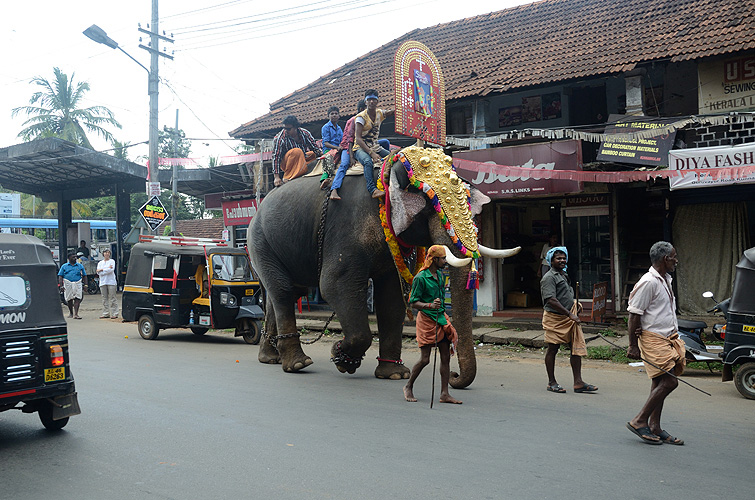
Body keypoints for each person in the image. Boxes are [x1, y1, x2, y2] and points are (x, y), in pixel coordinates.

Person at [626, 241, 685, 445]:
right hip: (653, 339)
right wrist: (632, 345)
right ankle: (639, 420)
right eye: (674, 256)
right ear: (665, 259)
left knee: (659, 381)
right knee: (670, 381)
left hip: (667, 338)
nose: (676, 260)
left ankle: (655, 426)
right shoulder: (649, 281)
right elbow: (634, 314)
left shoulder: (665, 279)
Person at [403, 245, 462, 404]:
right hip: (427, 321)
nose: (445, 261)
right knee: (425, 359)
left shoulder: (441, 276)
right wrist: (429, 306)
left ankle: (444, 394)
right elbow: (413, 302)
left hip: (440, 319)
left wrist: (443, 312)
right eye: (443, 258)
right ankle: (408, 386)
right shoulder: (420, 278)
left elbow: (441, 299)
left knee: (445, 357)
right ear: (434, 259)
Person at [540, 247, 597, 394]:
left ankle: (578, 382)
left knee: (576, 348)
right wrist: (569, 314)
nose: (562, 260)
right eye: (558, 258)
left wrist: (574, 308)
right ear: (551, 261)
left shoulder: (563, 274)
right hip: (555, 319)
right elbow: (551, 300)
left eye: (564, 258)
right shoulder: (548, 278)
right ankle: (551, 382)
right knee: (553, 349)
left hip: (568, 317)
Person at [353, 89, 394, 199]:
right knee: (367, 162)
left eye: (374, 100)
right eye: (369, 100)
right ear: (365, 102)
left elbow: (390, 112)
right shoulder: (360, 118)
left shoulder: (380, 113)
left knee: (393, 158)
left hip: (375, 145)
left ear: (377, 101)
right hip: (360, 147)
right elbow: (358, 139)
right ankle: (372, 189)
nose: (371, 102)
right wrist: (372, 154)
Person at [271, 115, 322, 187]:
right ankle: (288, 176)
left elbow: (315, 148)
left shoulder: (305, 133)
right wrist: (276, 177)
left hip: (302, 158)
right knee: (297, 151)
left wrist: (324, 154)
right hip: (287, 162)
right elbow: (276, 157)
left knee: (312, 154)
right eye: (284, 128)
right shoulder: (280, 138)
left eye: (288, 129)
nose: (286, 131)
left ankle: (303, 168)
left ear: (296, 127)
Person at [58, 252, 87, 319]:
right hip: (67, 283)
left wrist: (85, 285)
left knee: (78, 298)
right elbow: (60, 276)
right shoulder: (64, 266)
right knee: (69, 299)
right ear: (69, 258)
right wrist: (61, 286)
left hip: (78, 283)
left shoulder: (80, 266)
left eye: (76, 257)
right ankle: (71, 312)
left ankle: (76, 314)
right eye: (73, 257)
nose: (75, 258)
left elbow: (84, 275)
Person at [97, 249, 118, 319]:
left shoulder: (112, 261)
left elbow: (111, 270)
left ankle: (114, 313)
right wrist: (106, 269)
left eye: (108, 252)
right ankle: (106, 313)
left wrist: (102, 269)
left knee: (112, 298)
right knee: (104, 298)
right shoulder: (100, 263)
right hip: (103, 282)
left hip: (111, 281)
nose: (107, 254)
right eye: (105, 252)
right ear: (103, 254)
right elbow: (98, 272)